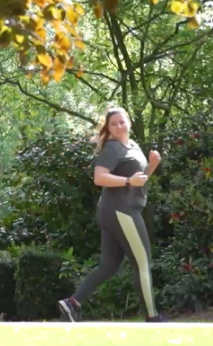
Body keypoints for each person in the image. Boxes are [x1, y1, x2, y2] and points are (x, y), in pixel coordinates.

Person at [57, 107, 168, 323]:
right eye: (114, 124)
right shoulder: (113, 148)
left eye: (122, 122)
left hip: (116, 210)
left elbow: (138, 179)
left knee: (108, 265)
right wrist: (127, 181)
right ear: (108, 128)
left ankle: (72, 303)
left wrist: (152, 166)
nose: (119, 126)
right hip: (121, 211)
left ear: (128, 122)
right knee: (143, 262)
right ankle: (152, 316)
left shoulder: (133, 146)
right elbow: (100, 178)